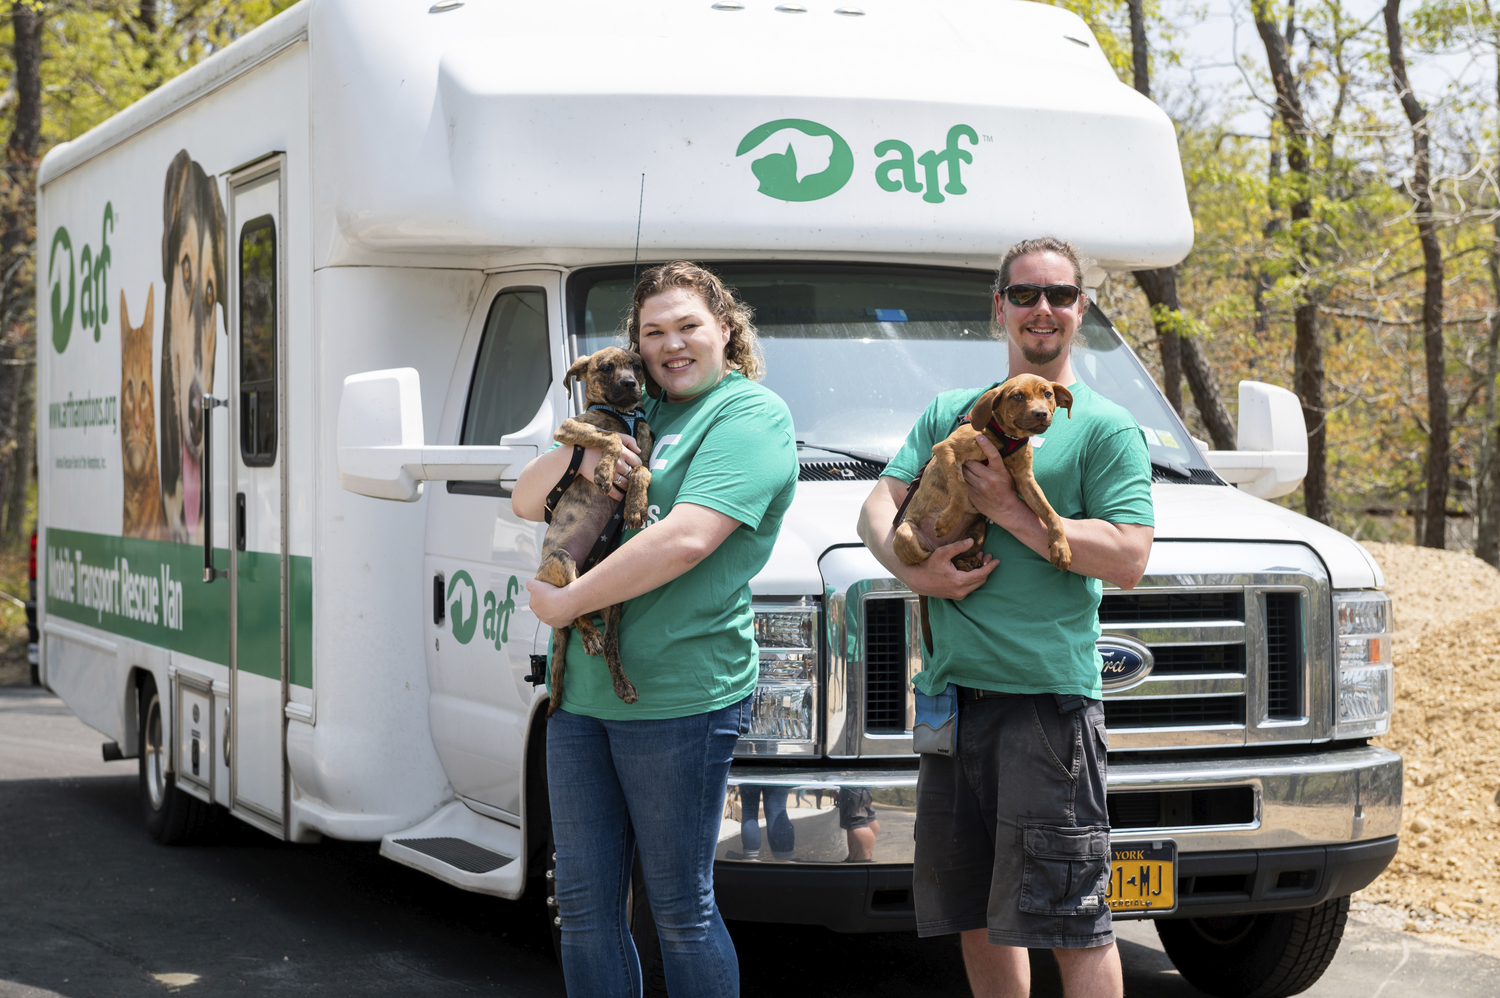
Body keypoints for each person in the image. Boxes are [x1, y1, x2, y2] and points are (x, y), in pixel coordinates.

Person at [856, 237, 1154, 998]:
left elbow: (1127, 558)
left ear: (1081, 308)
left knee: (1072, 920)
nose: (1042, 309)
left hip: (1046, 709)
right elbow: (875, 506)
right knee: (977, 916)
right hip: (954, 703)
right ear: (1000, 308)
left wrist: (1008, 509)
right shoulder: (950, 415)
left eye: (1059, 295)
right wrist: (912, 567)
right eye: (1025, 295)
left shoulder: (1102, 428)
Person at [513, 261, 798, 998]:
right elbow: (524, 497)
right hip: (580, 698)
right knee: (581, 909)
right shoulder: (632, 410)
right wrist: (580, 450)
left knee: (679, 910)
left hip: (681, 693)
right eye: (654, 332)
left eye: (688, 327)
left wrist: (567, 605)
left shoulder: (750, 415)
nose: (672, 345)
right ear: (634, 344)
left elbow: (686, 539)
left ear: (725, 330)